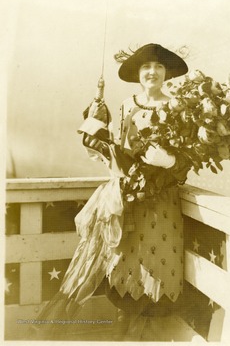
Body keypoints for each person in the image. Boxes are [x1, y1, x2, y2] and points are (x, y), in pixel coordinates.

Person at [31, 43, 191, 341]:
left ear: (166, 72)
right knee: (126, 270)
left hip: (162, 206)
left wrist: (169, 161)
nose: (152, 72)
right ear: (138, 75)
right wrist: (96, 123)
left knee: (155, 275)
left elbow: (187, 161)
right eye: (146, 67)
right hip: (127, 201)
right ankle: (121, 337)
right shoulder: (127, 105)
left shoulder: (177, 108)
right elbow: (116, 151)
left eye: (157, 66)